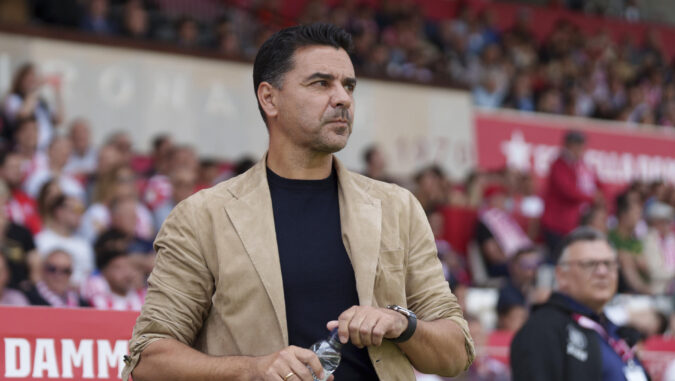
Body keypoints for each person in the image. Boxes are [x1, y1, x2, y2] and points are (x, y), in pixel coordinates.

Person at [123, 24, 474, 381]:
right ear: (269, 98)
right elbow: (147, 360)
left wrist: (404, 323)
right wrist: (253, 370)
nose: (343, 99)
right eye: (321, 83)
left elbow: (456, 351)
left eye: (348, 85)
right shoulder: (203, 217)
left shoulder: (397, 207)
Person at [510, 227, 650, 381]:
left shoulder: (614, 332)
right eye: (589, 264)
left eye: (609, 263)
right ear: (561, 275)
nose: (602, 272)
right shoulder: (542, 329)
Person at [541, 131, 602, 262]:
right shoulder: (559, 165)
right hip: (556, 224)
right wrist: (591, 198)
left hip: (573, 224)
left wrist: (599, 196)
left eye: (581, 145)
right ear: (567, 145)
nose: (579, 149)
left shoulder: (582, 166)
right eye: (576, 145)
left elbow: (598, 184)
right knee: (558, 260)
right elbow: (567, 191)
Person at [23, 249, 89, 307]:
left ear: (71, 273)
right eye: (52, 269)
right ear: (43, 270)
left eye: (65, 271)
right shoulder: (27, 298)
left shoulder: (81, 303)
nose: (59, 275)